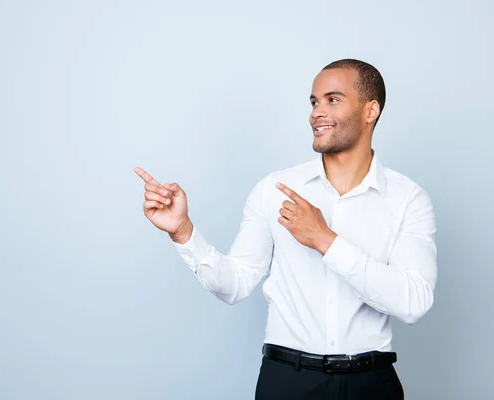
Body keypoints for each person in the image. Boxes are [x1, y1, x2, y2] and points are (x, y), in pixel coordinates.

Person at [134, 59, 437, 399]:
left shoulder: (407, 199)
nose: (316, 113)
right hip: (288, 383)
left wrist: (325, 239)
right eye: (314, 101)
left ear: (371, 111)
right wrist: (183, 232)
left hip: (371, 383)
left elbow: (413, 302)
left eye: (332, 99)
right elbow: (234, 285)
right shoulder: (274, 189)